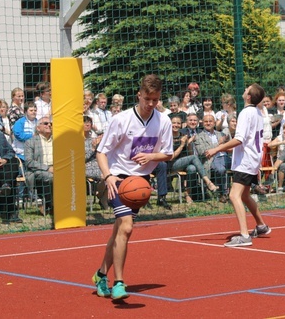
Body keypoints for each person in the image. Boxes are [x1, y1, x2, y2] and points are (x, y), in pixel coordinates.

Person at [92, 74, 174, 300]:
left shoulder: (163, 121)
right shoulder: (122, 120)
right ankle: (119, 282)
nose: (151, 104)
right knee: (127, 228)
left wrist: (151, 156)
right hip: (118, 179)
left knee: (119, 230)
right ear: (139, 95)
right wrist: (107, 176)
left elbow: (168, 153)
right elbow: (101, 151)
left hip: (140, 183)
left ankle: (101, 274)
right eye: (147, 98)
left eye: (155, 100)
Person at [205, 83, 271, 247]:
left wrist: (217, 149)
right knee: (245, 195)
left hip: (246, 160)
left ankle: (244, 235)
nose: (244, 90)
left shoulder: (245, 113)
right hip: (253, 158)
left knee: (234, 195)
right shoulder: (257, 112)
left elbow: (239, 139)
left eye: (246, 89)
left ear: (248, 96)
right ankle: (261, 225)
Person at [194, 114, 230, 202]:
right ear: (202, 123)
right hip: (212, 159)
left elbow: (228, 146)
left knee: (241, 166)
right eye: (206, 121)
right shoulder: (198, 136)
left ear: (214, 123)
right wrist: (219, 143)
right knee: (220, 169)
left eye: (210, 121)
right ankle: (223, 193)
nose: (208, 123)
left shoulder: (220, 134)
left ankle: (250, 188)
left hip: (225, 156)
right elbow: (203, 152)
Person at [25, 117, 54, 215]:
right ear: (38, 128)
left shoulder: (57, 140)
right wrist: (48, 168)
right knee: (50, 177)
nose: (49, 125)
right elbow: (29, 162)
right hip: (37, 171)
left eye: (50, 124)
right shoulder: (30, 142)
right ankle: (49, 203)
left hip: (57, 168)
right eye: (45, 123)